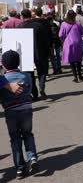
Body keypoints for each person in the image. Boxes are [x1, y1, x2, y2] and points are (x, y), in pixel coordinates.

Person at [0, 50, 38, 179]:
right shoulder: (26, 76)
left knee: (15, 139)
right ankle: (32, 157)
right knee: (28, 134)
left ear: (3, 65)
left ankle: (20, 168)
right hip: (27, 109)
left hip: (10, 111)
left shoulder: (3, 79)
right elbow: (31, 89)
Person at [17, 9, 50, 100]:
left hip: (26, 54)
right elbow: (45, 40)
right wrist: (48, 51)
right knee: (42, 71)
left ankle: (34, 93)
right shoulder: (38, 26)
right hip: (39, 52)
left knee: (30, 74)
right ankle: (42, 87)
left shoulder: (19, 27)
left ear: (22, 16)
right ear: (31, 16)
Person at [59, 10, 83, 83]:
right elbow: (82, 32)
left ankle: (75, 77)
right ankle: (80, 75)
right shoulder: (77, 23)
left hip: (68, 43)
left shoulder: (64, 24)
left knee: (72, 60)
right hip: (78, 43)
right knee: (78, 59)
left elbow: (60, 34)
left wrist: (63, 40)